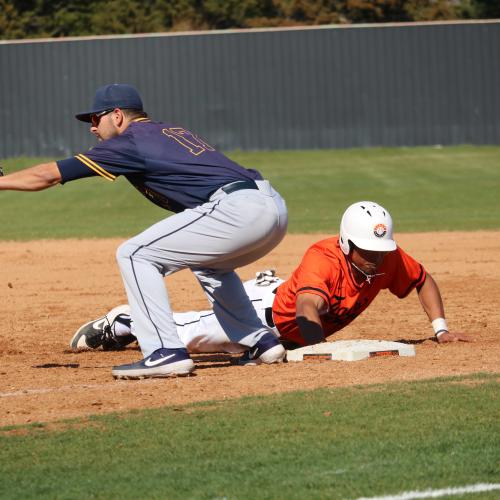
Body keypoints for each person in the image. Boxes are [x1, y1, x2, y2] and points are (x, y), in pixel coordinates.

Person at [0, 83, 288, 379]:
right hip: (271, 207)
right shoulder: (165, 131)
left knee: (135, 254)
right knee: (210, 266)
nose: (92, 128)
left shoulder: (129, 142)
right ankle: (260, 341)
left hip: (238, 210)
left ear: (116, 115)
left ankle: (165, 352)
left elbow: (48, 175)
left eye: (95, 119)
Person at [70, 201, 471, 361]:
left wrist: (441, 329)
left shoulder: (386, 256)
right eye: (366, 248)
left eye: (380, 249)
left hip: (285, 314)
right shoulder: (324, 257)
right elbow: (307, 308)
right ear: (346, 243)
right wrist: (318, 351)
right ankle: (123, 321)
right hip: (263, 319)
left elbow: (422, 279)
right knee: (189, 337)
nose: (375, 256)